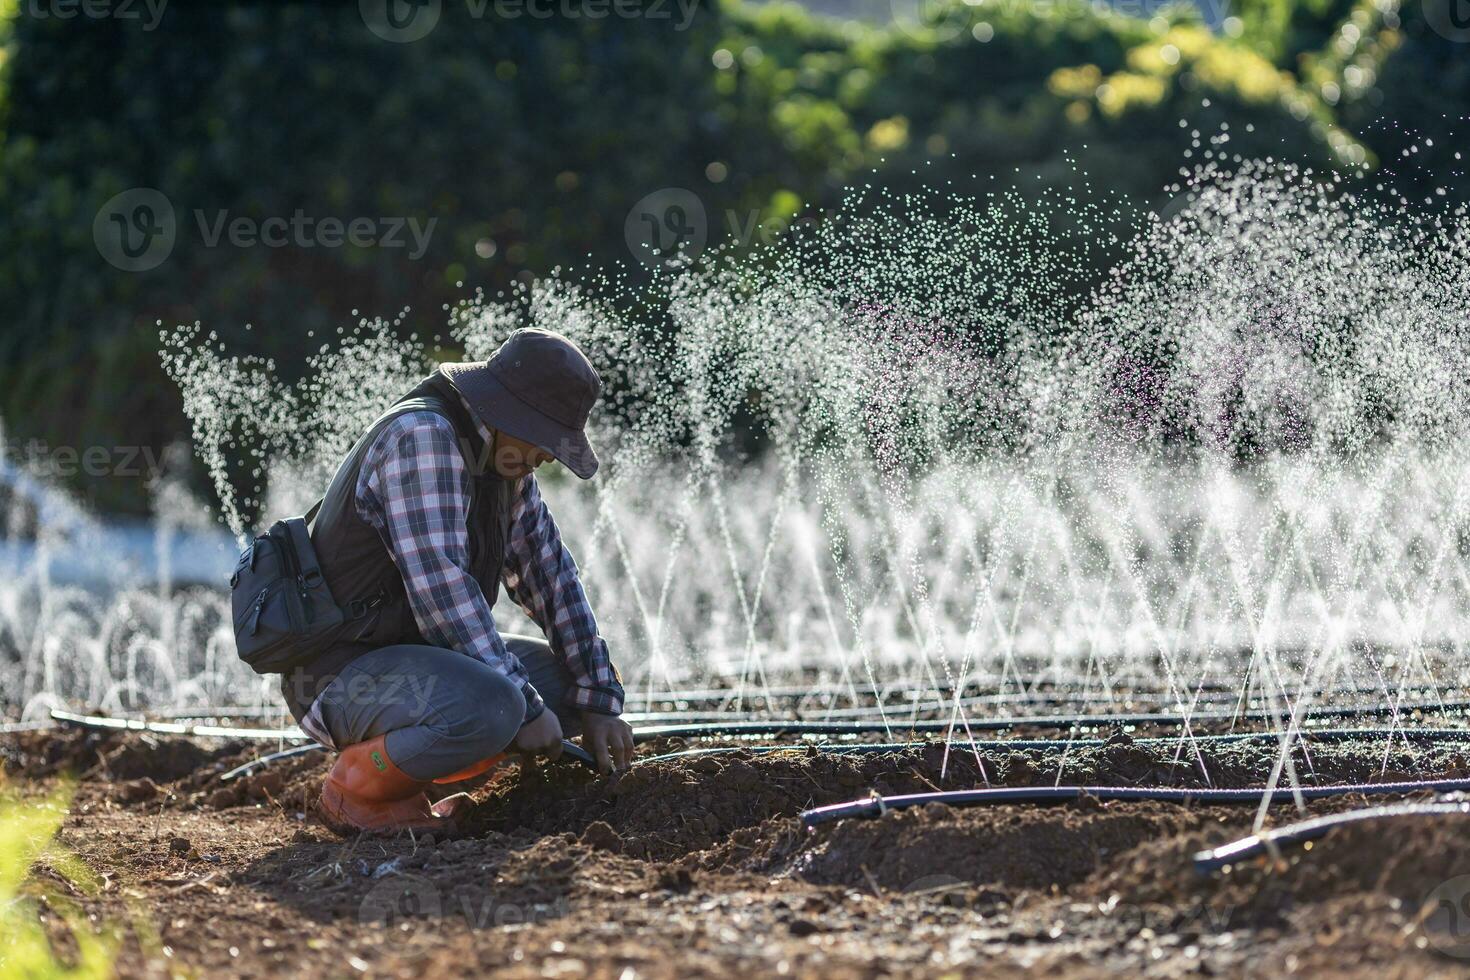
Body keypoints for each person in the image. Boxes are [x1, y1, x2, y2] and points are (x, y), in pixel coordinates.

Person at [279, 328, 633, 833]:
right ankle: (357, 788)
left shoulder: (506, 466)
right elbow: (441, 592)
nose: (550, 457)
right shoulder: (423, 439)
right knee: (499, 704)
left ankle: (420, 775)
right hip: (341, 677)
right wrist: (526, 708)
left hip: (414, 667)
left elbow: (552, 575)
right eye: (546, 439)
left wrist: (600, 697)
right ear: (508, 413)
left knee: (563, 685)